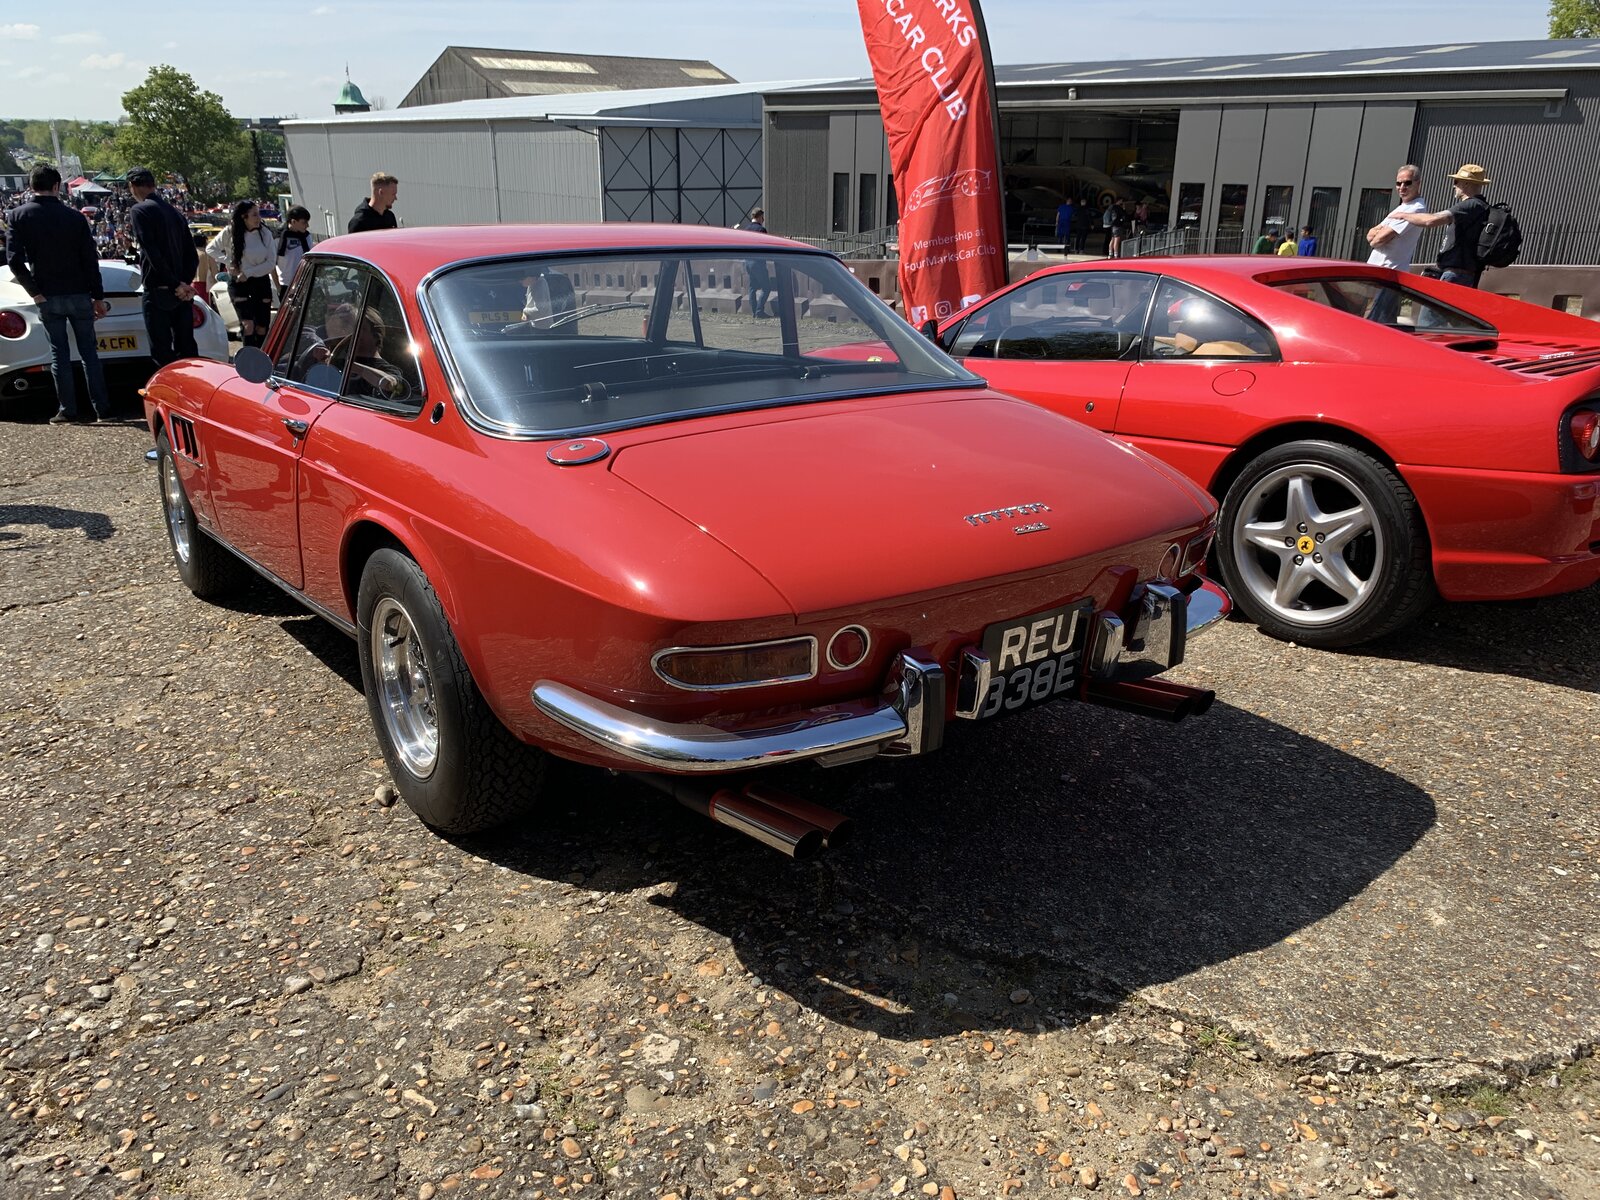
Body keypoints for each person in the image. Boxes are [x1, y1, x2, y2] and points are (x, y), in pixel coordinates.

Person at [3, 164, 113, 422]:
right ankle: (102, 409)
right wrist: (98, 296)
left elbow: (14, 260)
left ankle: (68, 410)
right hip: (79, 291)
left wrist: (34, 292)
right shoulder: (75, 217)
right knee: (89, 354)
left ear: (31, 186)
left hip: (47, 293)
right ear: (56, 186)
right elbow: (90, 260)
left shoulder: (18, 215)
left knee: (59, 355)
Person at [126, 166, 199, 367]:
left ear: (133, 186)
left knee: (162, 352)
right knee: (187, 348)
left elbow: (151, 252)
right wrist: (184, 283)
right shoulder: (174, 212)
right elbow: (191, 255)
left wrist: (175, 284)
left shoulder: (140, 210)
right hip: (181, 293)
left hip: (159, 290)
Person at [1385, 163, 1494, 288]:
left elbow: (1432, 220)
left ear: (1466, 183)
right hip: (1461, 273)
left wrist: (1404, 215)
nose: (1454, 186)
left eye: (1456, 181)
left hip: (1455, 274)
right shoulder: (1481, 207)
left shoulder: (1470, 205)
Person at [206, 200, 277, 350]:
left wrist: (248, 273)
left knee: (262, 327)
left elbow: (271, 263)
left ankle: (263, 355)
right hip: (238, 283)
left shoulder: (265, 233)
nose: (258, 218)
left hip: (260, 281)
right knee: (247, 325)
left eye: (258, 214)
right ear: (244, 217)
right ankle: (249, 358)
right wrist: (230, 262)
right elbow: (211, 249)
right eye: (254, 215)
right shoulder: (230, 232)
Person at [1366, 163, 1427, 273]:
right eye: (1399, 183)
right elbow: (1370, 234)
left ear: (1418, 184)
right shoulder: (1400, 208)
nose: (1402, 187)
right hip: (1376, 269)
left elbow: (1378, 240)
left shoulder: (1416, 209)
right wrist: (1379, 234)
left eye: (1407, 183)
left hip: (1389, 271)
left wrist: (1379, 234)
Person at [735, 207, 772, 317]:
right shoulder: (761, 230)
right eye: (762, 217)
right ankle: (759, 311)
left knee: (752, 288)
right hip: (758, 263)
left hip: (748, 263)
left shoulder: (746, 229)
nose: (763, 219)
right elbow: (766, 246)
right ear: (760, 217)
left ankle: (754, 311)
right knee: (766, 288)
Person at [276, 206, 315, 292]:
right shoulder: (279, 238)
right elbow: (272, 265)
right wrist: (278, 287)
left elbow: (311, 259)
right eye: (304, 222)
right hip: (286, 284)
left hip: (304, 281)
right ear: (293, 221)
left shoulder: (306, 236)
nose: (307, 225)